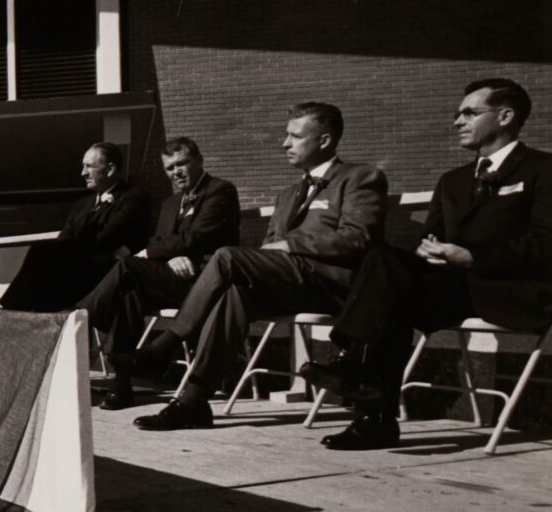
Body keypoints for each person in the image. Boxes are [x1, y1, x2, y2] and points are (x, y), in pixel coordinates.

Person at [301, 78, 552, 449]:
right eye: (458, 114)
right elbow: (429, 238)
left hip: (511, 289)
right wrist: (426, 251)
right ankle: (373, 408)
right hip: (455, 289)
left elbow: (547, 244)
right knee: (384, 264)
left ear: (505, 116)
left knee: (391, 297)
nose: (457, 121)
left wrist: (472, 256)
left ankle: (359, 379)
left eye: (469, 112)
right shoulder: (452, 181)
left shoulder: (543, 169)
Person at [110, 102, 388, 430]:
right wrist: (277, 251)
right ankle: (193, 401)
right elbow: (269, 248)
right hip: (289, 283)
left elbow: (358, 239)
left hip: (333, 287)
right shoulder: (287, 195)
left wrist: (291, 244)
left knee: (226, 255)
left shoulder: (360, 177)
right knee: (236, 293)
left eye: (295, 136)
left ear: (324, 140)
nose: (285, 143)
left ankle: (164, 347)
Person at [78, 138, 241, 409]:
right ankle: (121, 385)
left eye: (182, 164)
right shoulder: (169, 203)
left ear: (199, 161)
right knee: (129, 294)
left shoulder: (220, 191)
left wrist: (169, 252)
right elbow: (157, 242)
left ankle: (81, 320)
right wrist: (172, 254)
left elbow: (198, 236)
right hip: (173, 279)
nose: (175, 172)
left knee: (129, 265)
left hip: (207, 282)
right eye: (169, 168)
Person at [0, 142, 152, 313]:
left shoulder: (134, 198)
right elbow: (64, 239)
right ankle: (27, 312)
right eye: (83, 167)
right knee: (45, 253)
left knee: (43, 251)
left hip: (106, 273)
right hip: (77, 268)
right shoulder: (82, 204)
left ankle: (17, 309)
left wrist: (75, 243)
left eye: (89, 166)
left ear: (110, 169)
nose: (83, 173)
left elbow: (104, 239)